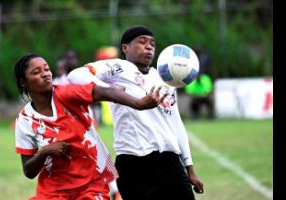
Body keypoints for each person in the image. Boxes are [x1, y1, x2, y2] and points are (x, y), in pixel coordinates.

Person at [67, 25, 204, 200]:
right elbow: (76, 75)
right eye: (142, 42)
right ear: (125, 48)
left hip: (171, 165)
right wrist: (111, 90)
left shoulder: (164, 80)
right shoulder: (119, 67)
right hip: (134, 165)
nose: (149, 47)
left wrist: (189, 169)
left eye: (152, 44)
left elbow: (176, 124)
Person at [13, 54, 166, 200]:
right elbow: (28, 171)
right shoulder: (25, 120)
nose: (45, 74)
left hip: (92, 184)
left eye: (46, 69)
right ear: (23, 82)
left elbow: (103, 92)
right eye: (36, 72)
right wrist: (45, 151)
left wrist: (139, 103)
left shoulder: (66, 94)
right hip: (53, 190)